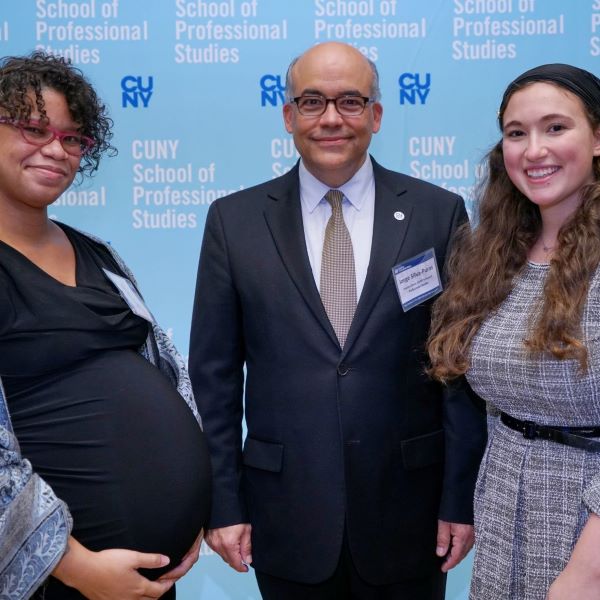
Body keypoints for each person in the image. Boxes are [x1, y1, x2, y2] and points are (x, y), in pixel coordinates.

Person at [189, 41, 486, 599]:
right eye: (312, 102)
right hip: (284, 513)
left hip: (410, 512)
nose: (331, 118)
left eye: (351, 101)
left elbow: (458, 371)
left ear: (376, 115)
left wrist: (459, 497)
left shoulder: (436, 213)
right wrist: (224, 503)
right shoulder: (233, 221)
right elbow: (215, 378)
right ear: (288, 116)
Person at [0, 51, 211, 600]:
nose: (56, 150)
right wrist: (73, 567)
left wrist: (192, 507)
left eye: (73, 139)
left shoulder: (100, 254)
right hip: (59, 583)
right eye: (33, 128)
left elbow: (165, 378)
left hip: (149, 574)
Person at [427, 63, 600, 600]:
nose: (534, 150)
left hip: (586, 534)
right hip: (505, 512)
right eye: (516, 133)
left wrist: (584, 574)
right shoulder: (494, 255)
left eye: (556, 128)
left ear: (597, 137)